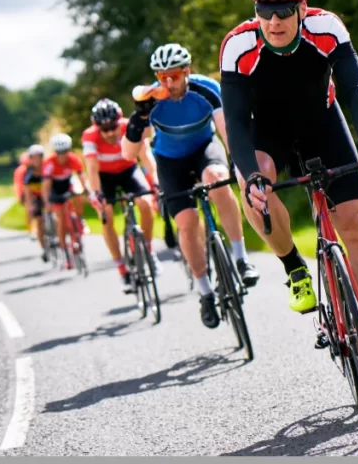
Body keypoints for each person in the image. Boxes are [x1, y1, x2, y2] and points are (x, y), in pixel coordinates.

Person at [218, 0, 358, 384]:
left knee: (355, 224)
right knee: (257, 190)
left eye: (284, 11)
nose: (273, 21)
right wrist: (251, 177)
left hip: (323, 122)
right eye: (264, 10)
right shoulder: (238, 45)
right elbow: (234, 122)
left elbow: (356, 88)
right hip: (266, 131)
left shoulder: (327, 28)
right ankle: (294, 267)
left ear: (302, 7)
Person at [123, 42, 260, 330]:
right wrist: (138, 120)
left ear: (187, 71)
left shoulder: (205, 89)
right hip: (170, 161)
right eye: (162, 77)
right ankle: (205, 292)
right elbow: (128, 153)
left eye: (174, 75)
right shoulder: (153, 99)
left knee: (216, 178)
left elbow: (226, 130)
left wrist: (238, 163)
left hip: (204, 149)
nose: (168, 83)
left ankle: (240, 258)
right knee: (186, 221)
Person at [81, 98, 162, 293]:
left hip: (129, 171)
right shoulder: (89, 137)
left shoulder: (130, 126)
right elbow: (92, 169)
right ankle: (122, 269)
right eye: (104, 129)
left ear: (120, 122)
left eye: (113, 127)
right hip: (104, 176)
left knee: (145, 202)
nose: (109, 132)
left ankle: (148, 250)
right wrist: (97, 194)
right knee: (106, 215)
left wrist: (157, 181)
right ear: (97, 127)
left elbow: (146, 157)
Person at [41, 133, 90, 270]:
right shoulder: (49, 163)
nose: (62, 155)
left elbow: (81, 176)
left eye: (64, 152)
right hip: (55, 188)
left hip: (69, 183)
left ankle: (79, 218)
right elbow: (46, 185)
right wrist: (47, 201)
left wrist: (85, 189)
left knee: (78, 195)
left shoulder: (73, 159)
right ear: (55, 152)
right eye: (59, 153)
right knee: (61, 220)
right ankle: (66, 253)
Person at [22, 144, 50, 261]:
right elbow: (28, 193)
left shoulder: (48, 168)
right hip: (36, 197)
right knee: (39, 220)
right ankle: (43, 248)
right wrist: (30, 206)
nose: (37, 160)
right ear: (31, 159)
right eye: (34, 158)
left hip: (49, 194)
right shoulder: (29, 174)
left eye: (39, 157)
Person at [13, 152, 34, 239]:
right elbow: (18, 184)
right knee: (30, 211)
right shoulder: (20, 170)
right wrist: (19, 195)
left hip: (33, 191)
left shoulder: (33, 169)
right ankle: (31, 229)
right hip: (25, 193)